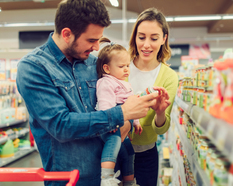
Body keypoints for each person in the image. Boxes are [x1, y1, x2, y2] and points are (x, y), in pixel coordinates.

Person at [16, 1, 159, 186]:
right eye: (91, 40)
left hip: (110, 177)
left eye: (99, 39)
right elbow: (61, 125)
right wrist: (122, 113)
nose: (97, 47)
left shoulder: (94, 64)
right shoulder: (34, 68)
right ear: (67, 34)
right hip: (71, 180)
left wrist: (133, 112)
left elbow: (113, 103)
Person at [128, 7, 178, 186]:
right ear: (135, 37)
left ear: (164, 39)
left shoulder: (169, 77)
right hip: (114, 150)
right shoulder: (119, 64)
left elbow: (161, 130)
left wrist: (159, 113)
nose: (146, 45)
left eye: (154, 38)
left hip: (146, 155)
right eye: (141, 37)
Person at [96, 37, 142, 186]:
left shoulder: (124, 84)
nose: (126, 69)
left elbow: (131, 105)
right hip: (111, 125)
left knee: (129, 151)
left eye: (127, 65)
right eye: (122, 66)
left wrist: (136, 122)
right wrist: (110, 122)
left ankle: (129, 181)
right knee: (113, 144)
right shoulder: (106, 82)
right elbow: (105, 104)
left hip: (123, 123)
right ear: (107, 68)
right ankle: (107, 178)